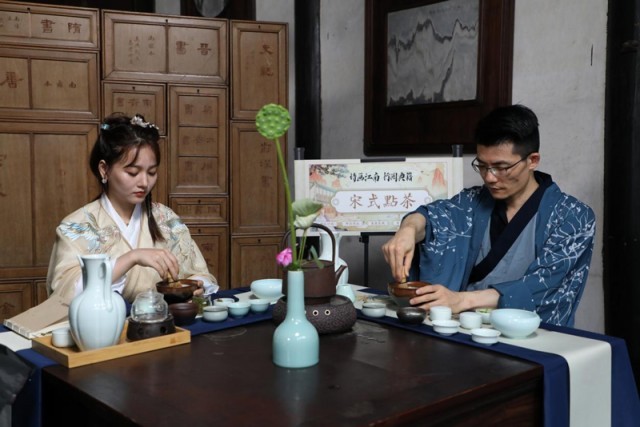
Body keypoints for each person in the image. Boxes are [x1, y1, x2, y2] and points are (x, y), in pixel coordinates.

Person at [382, 104, 595, 326]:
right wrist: (408, 229)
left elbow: (544, 284)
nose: (490, 177)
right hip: (464, 329)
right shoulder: (472, 202)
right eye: (482, 166)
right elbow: (433, 218)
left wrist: (461, 300)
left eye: (501, 167)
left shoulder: (574, 217)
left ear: (532, 160)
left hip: (526, 333)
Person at [47, 113, 218, 304]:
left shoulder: (165, 218)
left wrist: (197, 285)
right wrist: (131, 258)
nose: (144, 182)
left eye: (151, 172)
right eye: (132, 172)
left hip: (162, 320)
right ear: (104, 169)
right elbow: (65, 293)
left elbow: (199, 273)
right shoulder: (78, 225)